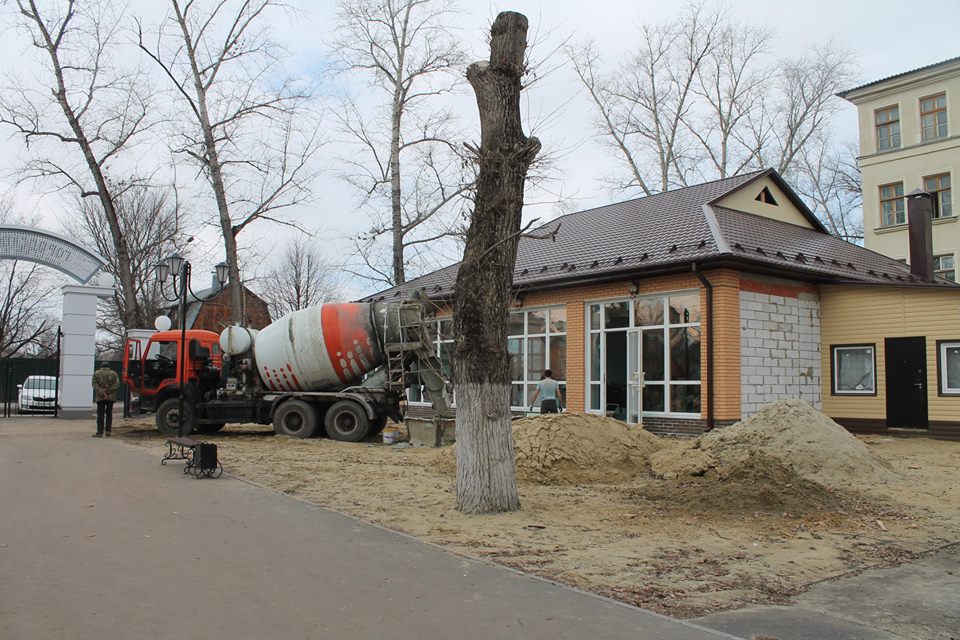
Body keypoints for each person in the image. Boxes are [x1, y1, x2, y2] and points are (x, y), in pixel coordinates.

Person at [92, 364, 119, 437]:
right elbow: (117, 384)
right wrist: (108, 391)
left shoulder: (96, 373)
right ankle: (108, 431)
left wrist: (103, 393)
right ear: (108, 366)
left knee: (100, 414)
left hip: (100, 397)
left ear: (101, 366)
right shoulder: (114, 373)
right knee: (109, 414)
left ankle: (100, 432)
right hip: (111, 397)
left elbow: (94, 385)